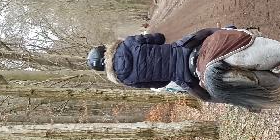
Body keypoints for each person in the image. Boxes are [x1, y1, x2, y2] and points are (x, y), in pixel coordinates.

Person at [86, 26, 237, 102]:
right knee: (205, 31)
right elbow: (160, 38)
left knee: (207, 98)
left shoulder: (122, 79)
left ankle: (238, 100)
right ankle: (229, 31)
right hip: (181, 50)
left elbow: (159, 84)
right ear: (104, 49)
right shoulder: (127, 43)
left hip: (183, 77)